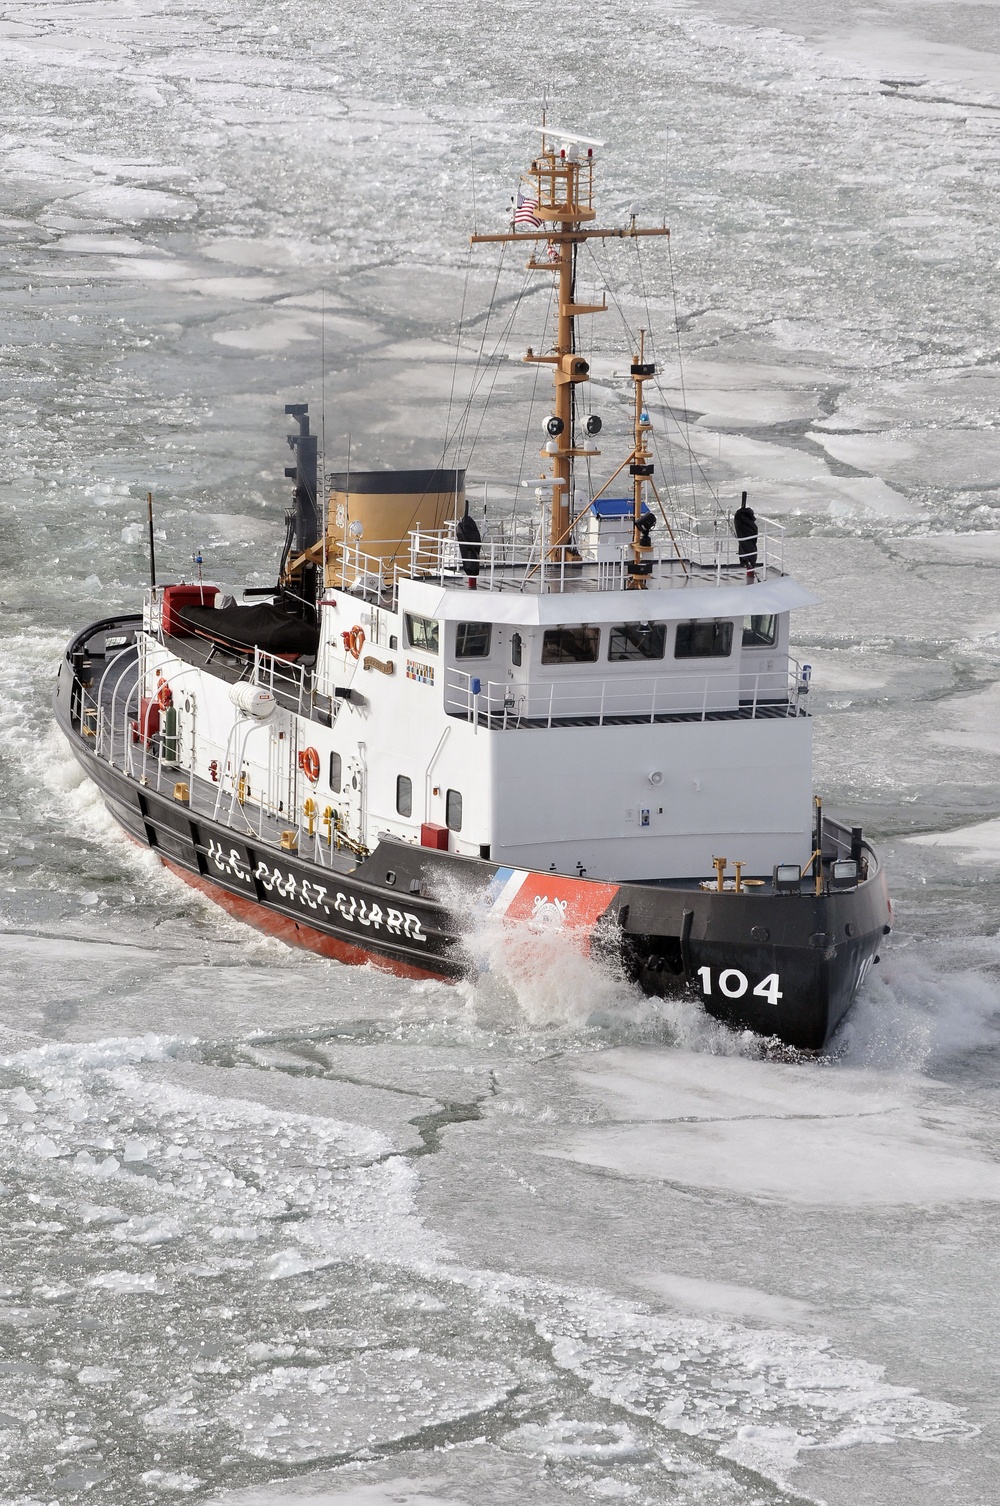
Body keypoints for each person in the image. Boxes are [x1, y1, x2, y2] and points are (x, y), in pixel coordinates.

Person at [733, 491, 758, 577]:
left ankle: (749, 566)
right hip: (749, 549)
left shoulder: (741, 520)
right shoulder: (750, 525)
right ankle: (749, 565)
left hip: (748, 548)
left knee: (747, 549)